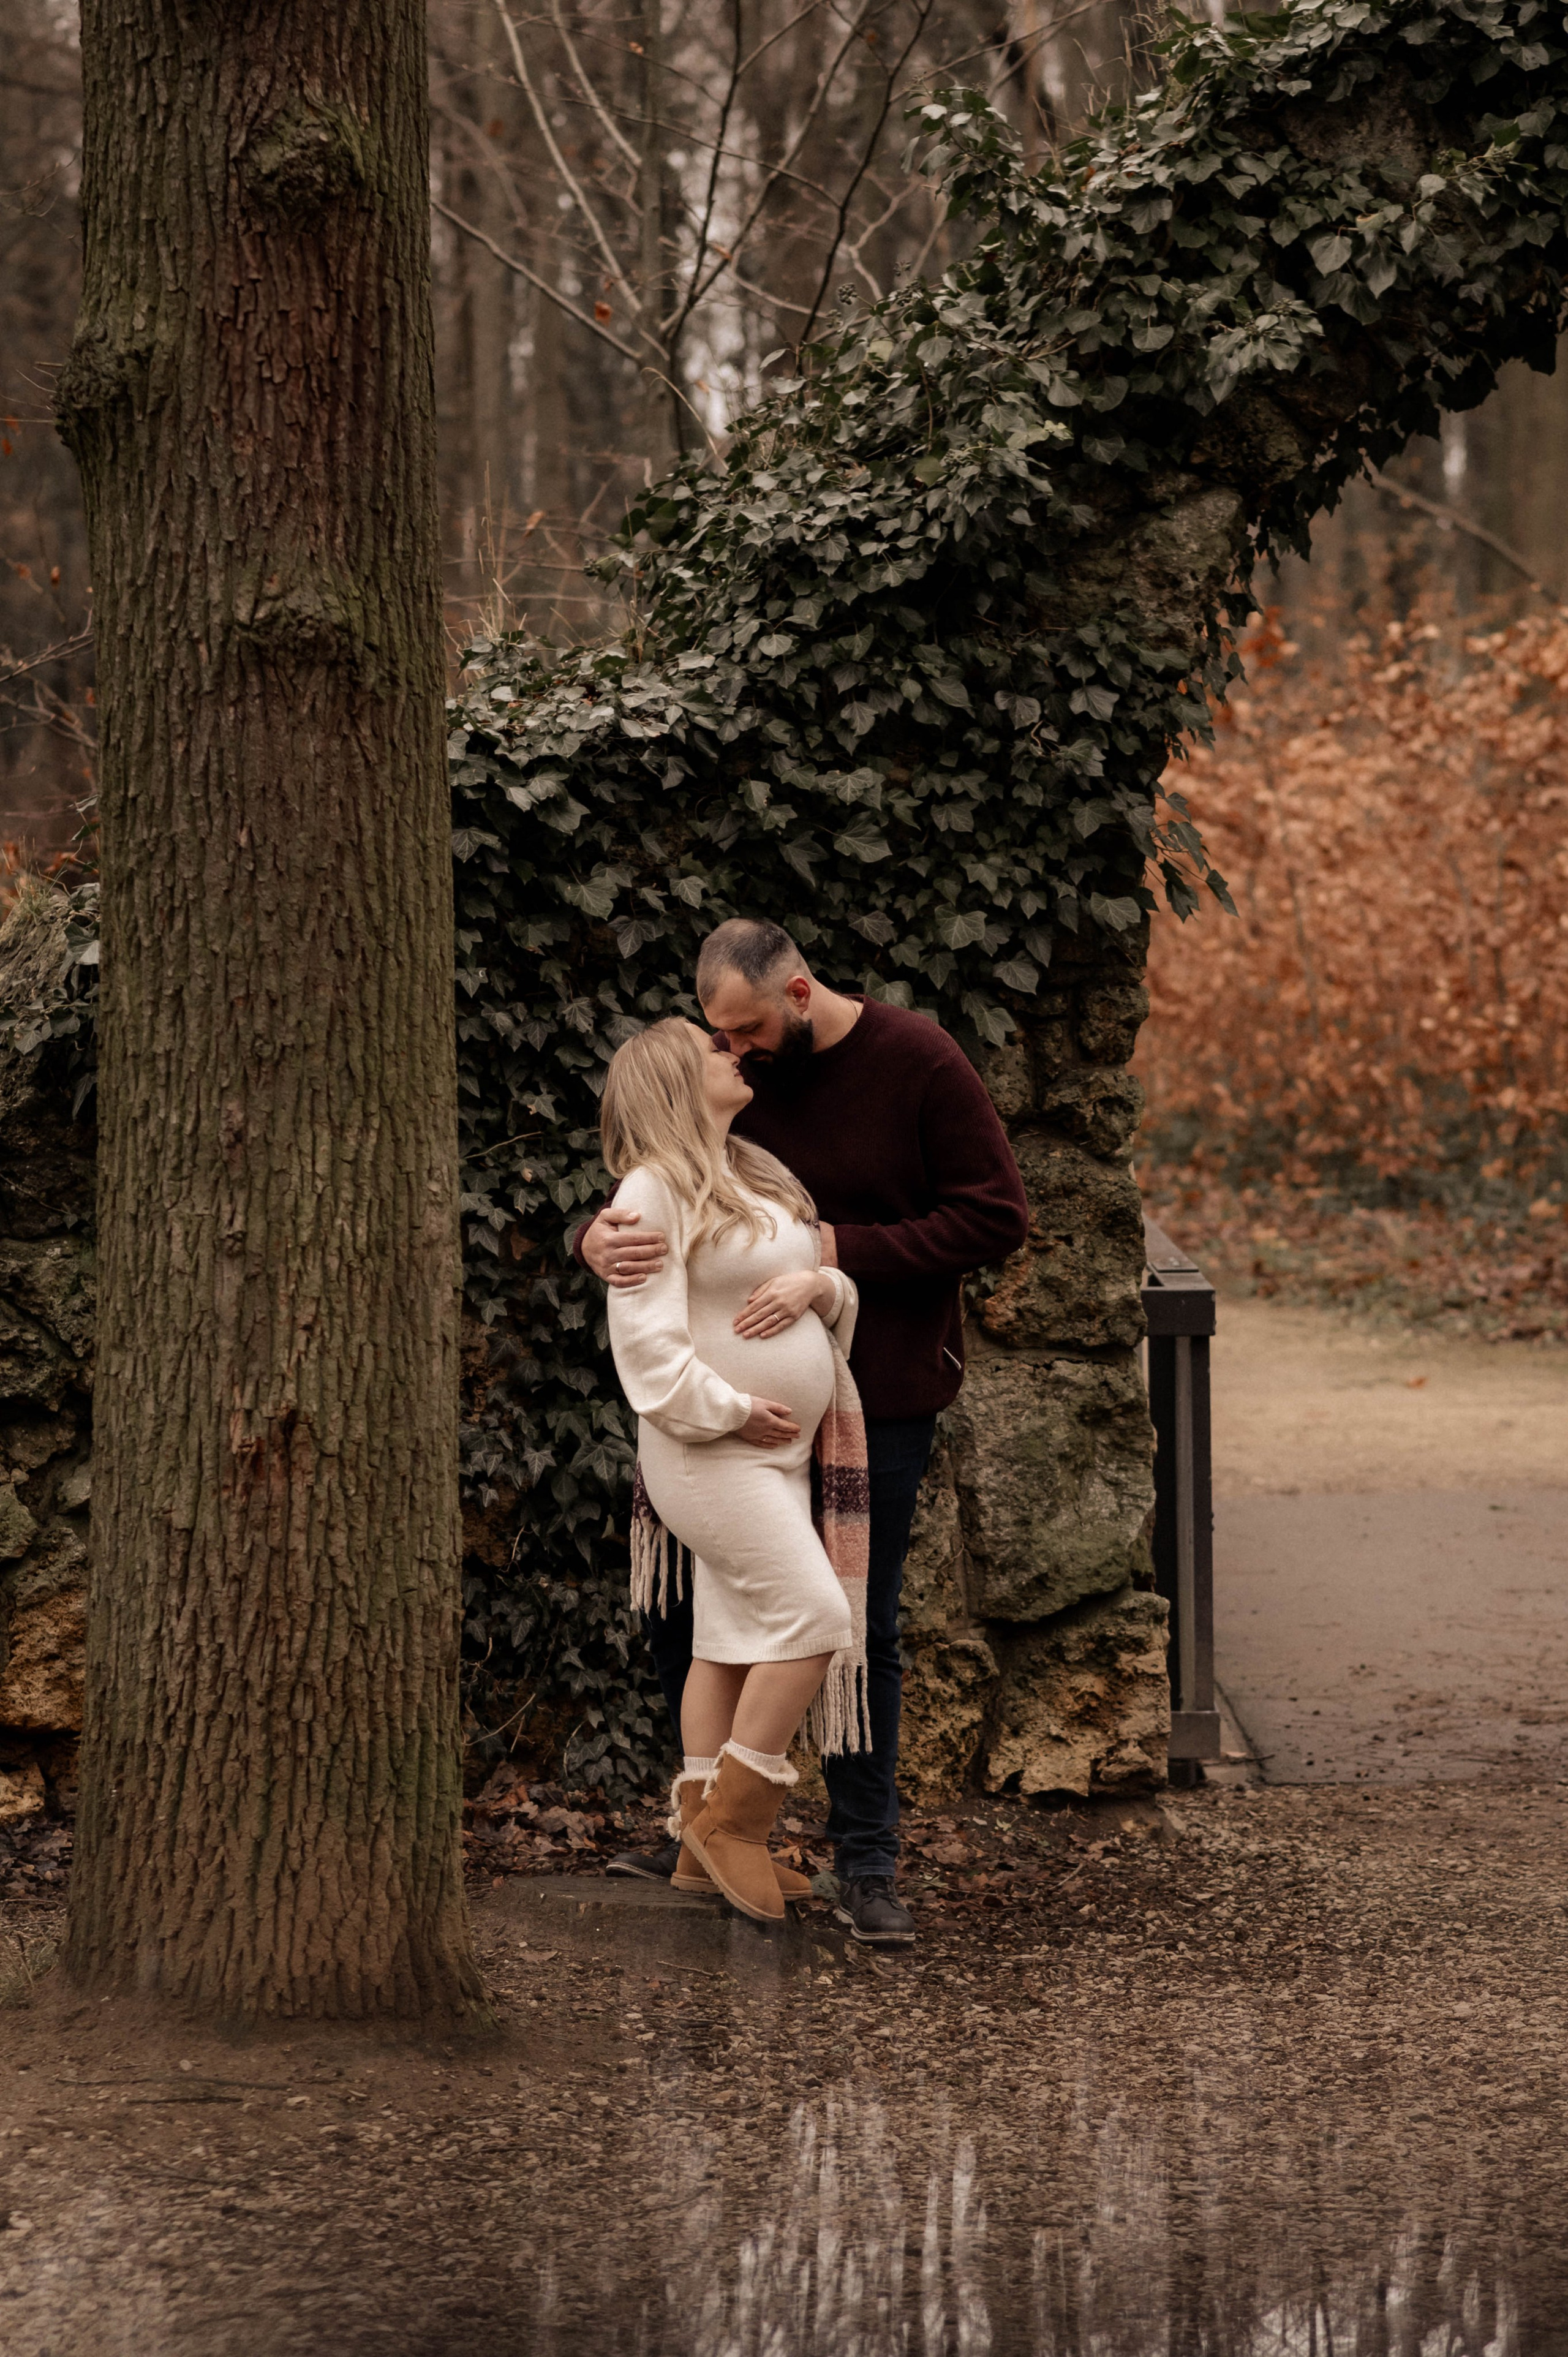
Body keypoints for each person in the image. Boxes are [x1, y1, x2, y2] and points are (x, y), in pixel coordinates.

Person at [582, 918, 1029, 1946]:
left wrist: (834, 1258)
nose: (733, 1052)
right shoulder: (737, 1086)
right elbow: (662, 1197)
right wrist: (593, 1238)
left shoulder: (917, 1060)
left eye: (743, 1031)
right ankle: (708, 1829)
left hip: (883, 1394)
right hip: (730, 1433)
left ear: (796, 994)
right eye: (718, 1037)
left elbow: (995, 1216)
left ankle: (865, 1861)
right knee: (707, 1624)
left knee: (858, 1627)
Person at [599, 1014, 869, 1924]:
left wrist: (825, 1287)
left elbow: (822, 1283)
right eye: (711, 1048)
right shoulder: (651, 1191)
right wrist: (736, 1410)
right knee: (817, 1615)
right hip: (710, 1453)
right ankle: (733, 1827)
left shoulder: (753, 1171)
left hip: (777, 1456)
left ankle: (693, 1847)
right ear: (675, 1080)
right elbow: (647, 1354)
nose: (733, 1050)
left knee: (725, 1641)